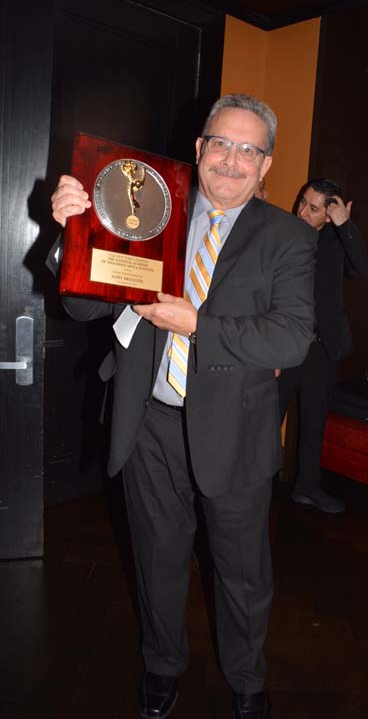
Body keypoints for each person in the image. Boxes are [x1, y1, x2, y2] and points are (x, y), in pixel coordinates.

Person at [49, 94, 317, 719]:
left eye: (249, 150)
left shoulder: (286, 238)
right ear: (199, 150)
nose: (232, 159)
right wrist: (74, 231)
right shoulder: (148, 212)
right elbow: (86, 305)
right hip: (151, 425)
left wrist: (196, 322)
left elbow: (291, 336)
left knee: (241, 573)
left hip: (237, 433)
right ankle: (162, 665)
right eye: (221, 143)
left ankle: (247, 678)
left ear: (267, 164)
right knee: (158, 559)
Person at [278, 178, 368, 514]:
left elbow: (362, 269)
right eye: (302, 202)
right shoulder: (283, 232)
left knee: (314, 424)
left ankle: (307, 488)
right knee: (266, 420)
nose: (302, 211)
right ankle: (252, 487)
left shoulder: (334, 240)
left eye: (313, 208)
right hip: (284, 345)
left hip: (320, 349)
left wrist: (345, 225)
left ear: (328, 216)